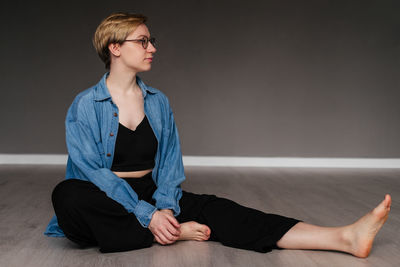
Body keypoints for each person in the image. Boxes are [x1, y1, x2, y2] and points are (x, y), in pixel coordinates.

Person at [44, 12, 391, 257]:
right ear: (115, 48)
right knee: (68, 196)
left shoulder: (158, 101)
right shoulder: (85, 105)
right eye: (143, 41)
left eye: (152, 40)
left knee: (220, 209)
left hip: (151, 192)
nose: (152, 47)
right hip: (105, 196)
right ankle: (172, 233)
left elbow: (169, 163)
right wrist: (150, 216)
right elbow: (93, 172)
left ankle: (343, 237)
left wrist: (162, 205)